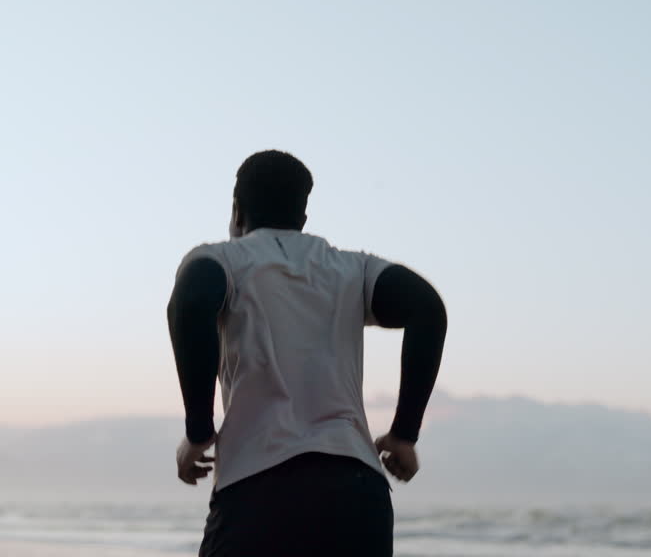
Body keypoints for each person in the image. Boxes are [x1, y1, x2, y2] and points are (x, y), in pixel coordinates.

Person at [166, 149, 448, 557]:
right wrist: (404, 433)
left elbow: (190, 302)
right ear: (303, 218)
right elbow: (428, 309)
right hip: (357, 494)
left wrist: (198, 431)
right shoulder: (352, 269)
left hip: (260, 485)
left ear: (236, 211)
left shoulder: (223, 260)